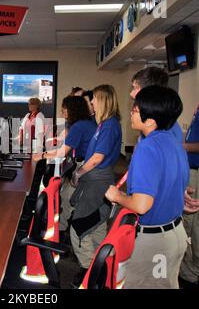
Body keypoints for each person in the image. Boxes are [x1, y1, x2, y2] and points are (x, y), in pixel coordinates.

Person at [105, 86, 189, 289]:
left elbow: (142, 205)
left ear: (150, 120)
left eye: (135, 109)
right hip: (175, 233)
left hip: (155, 241)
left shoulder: (147, 147)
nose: (132, 112)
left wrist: (117, 196)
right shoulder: (173, 140)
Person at [69, 84, 122, 287]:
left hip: (97, 180)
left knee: (79, 225)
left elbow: (97, 158)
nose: (91, 102)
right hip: (97, 180)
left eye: (94, 99)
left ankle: (89, 270)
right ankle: (101, 269)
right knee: (97, 226)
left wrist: (77, 173)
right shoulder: (104, 124)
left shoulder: (109, 126)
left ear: (103, 101)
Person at [32, 96, 97, 236]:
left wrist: (41, 156)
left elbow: (62, 152)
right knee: (65, 195)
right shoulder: (84, 123)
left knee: (66, 199)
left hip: (85, 167)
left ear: (72, 110)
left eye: (64, 110)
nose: (63, 113)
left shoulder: (79, 126)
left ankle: (59, 233)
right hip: (85, 166)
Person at [130, 66, 182, 143]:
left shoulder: (167, 129)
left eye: (135, 88)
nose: (131, 94)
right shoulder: (151, 120)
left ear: (149, 91)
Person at [179, 103, 199, 288]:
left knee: (192, 224)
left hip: (196, 172)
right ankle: (187, 271)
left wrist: (180, 145)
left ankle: (192, 273)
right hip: (191, 170)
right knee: (188, 224)